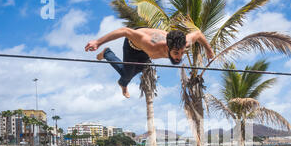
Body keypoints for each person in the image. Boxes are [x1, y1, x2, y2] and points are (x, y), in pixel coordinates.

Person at [85, 27, 215, 98]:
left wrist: (209, 50)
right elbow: (124, 31)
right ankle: (107, 54)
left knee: (142, 68)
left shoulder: (183, 43)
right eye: (176, 53)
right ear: (167, 48)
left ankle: (123, 81)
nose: (179, 57)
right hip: (134, 47)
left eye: (182, 52)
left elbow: (198, 34)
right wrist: (98, 42)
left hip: (145, 52)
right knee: (127, 74)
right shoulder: (151, 43)